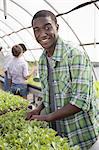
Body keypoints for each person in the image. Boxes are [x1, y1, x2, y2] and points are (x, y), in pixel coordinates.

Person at [26, 10, 99, 149]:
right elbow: (49, 93)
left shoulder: (74, 54)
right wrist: (38, 109)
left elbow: (80, 101)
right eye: (37, 30)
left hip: (79, 134)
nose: (42, 34)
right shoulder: (42, 59)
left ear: (57, 27)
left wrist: (48, 117)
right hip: (57, 133)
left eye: (47, 27)